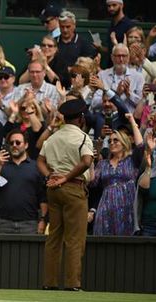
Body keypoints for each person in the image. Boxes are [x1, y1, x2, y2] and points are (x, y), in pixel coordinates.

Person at [37, 98, 94, 291]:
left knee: (54, 237)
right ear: (81, 118)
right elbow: (86, 162)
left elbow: (40, 161)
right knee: (75, 239)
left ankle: (50, 283)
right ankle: (72, 284)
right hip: (74, 188)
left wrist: (50, 177)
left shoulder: (52, 137)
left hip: (53, 190)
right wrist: (66, 177)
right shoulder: (84, 138)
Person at [90, 114, 143, 235]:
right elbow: (92, 182)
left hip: (127, 207)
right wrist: (92, 162)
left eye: (116, 140)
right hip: (106, 208)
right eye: (109, 141)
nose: (112, 143)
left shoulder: (132, 160)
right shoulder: (103, 164)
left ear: (124, 142)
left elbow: (140, 146)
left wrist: (132, 121)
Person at [0, 129, 47, 234]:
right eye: (11, 143)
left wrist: (43, 220)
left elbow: (43, 197)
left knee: (30, 251)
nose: (14, 145)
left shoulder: (36, 167)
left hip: (30, 222)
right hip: (4, 222)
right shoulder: (1, 165)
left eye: (18, 142)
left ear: (26, 145)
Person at [92, 44, 145, 113]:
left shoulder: (138, 77)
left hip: (129, 119)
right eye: (118, 56)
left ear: (128, 57)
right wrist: (116, 94)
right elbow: (94, 103)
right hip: (107, 117)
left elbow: (142, 104)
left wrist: (129, 94)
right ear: (112, 57)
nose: (121, 59)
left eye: (124, 56)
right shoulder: (102, 75)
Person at [6, 94, 45, 160]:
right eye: (23, 108)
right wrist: (14, 113)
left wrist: (30, 112)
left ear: (36, 110)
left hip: (34, 160)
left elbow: (37, 130)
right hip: (16, 159)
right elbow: (5, 133)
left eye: (31, 108)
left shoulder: (41, 124)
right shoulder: (16, 124)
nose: (26, 110)